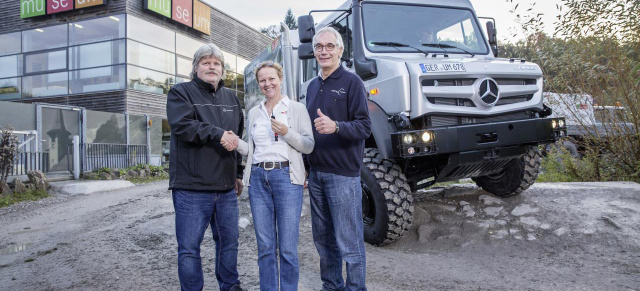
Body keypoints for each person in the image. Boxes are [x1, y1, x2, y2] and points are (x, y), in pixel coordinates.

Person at [225, 61, 314, 291]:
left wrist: (287, 132)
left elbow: (308, 145)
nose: (267, 83)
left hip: (286, 177)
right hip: (257, 178)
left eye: (271, 78)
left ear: (280, 79)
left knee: (287, 248)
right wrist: (238, 144)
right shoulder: (254, 112)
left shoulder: (296, 108)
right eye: (262, 80)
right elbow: (253, 150)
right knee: (265, 247)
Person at [166, 43, 245, 291]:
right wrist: (217, 133)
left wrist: (238, 174)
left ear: (222, 70)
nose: (212, 66)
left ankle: (230, 286)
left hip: (225, 189)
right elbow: (182, 126)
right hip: (192, 187)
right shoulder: (180, 93)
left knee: (229, 244)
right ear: (196, 67)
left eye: (217, 63)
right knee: (189, 249)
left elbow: (238, 138)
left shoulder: (232, 98)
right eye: (206, 62)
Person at [304, 27, 372, 291]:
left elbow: (364, 127)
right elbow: (308, 132)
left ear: (340, 51)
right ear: (314, 52)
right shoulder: (312, 87)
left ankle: (356, 288)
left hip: (343, 176)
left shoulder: (352, 83)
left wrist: (337, 127)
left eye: (330, 46)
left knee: (349, 242)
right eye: (319, 47)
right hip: (317, 174)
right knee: (323, 240)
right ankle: (331, 286)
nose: (324, 51)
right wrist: (307, 168)